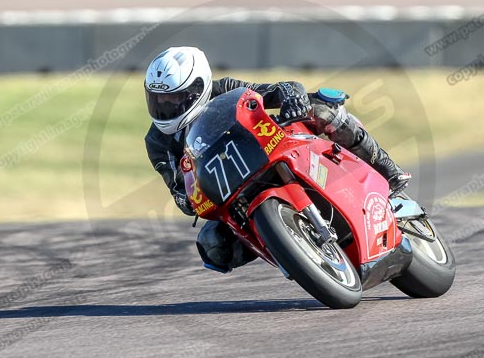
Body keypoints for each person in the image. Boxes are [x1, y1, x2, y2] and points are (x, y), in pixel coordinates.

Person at [144, 46, 410, 273]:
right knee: (213, 248)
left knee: (322, 109)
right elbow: (180, 192)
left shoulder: (224, 89)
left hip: (268, 149)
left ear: (199, 87)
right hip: (228, 190)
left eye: (175, 98)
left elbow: (276, 89)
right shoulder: (157, 141)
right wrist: (184, 197)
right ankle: (292, 254)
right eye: (158, 100)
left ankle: (388, 171)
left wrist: (290, 96)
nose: (166, 107)